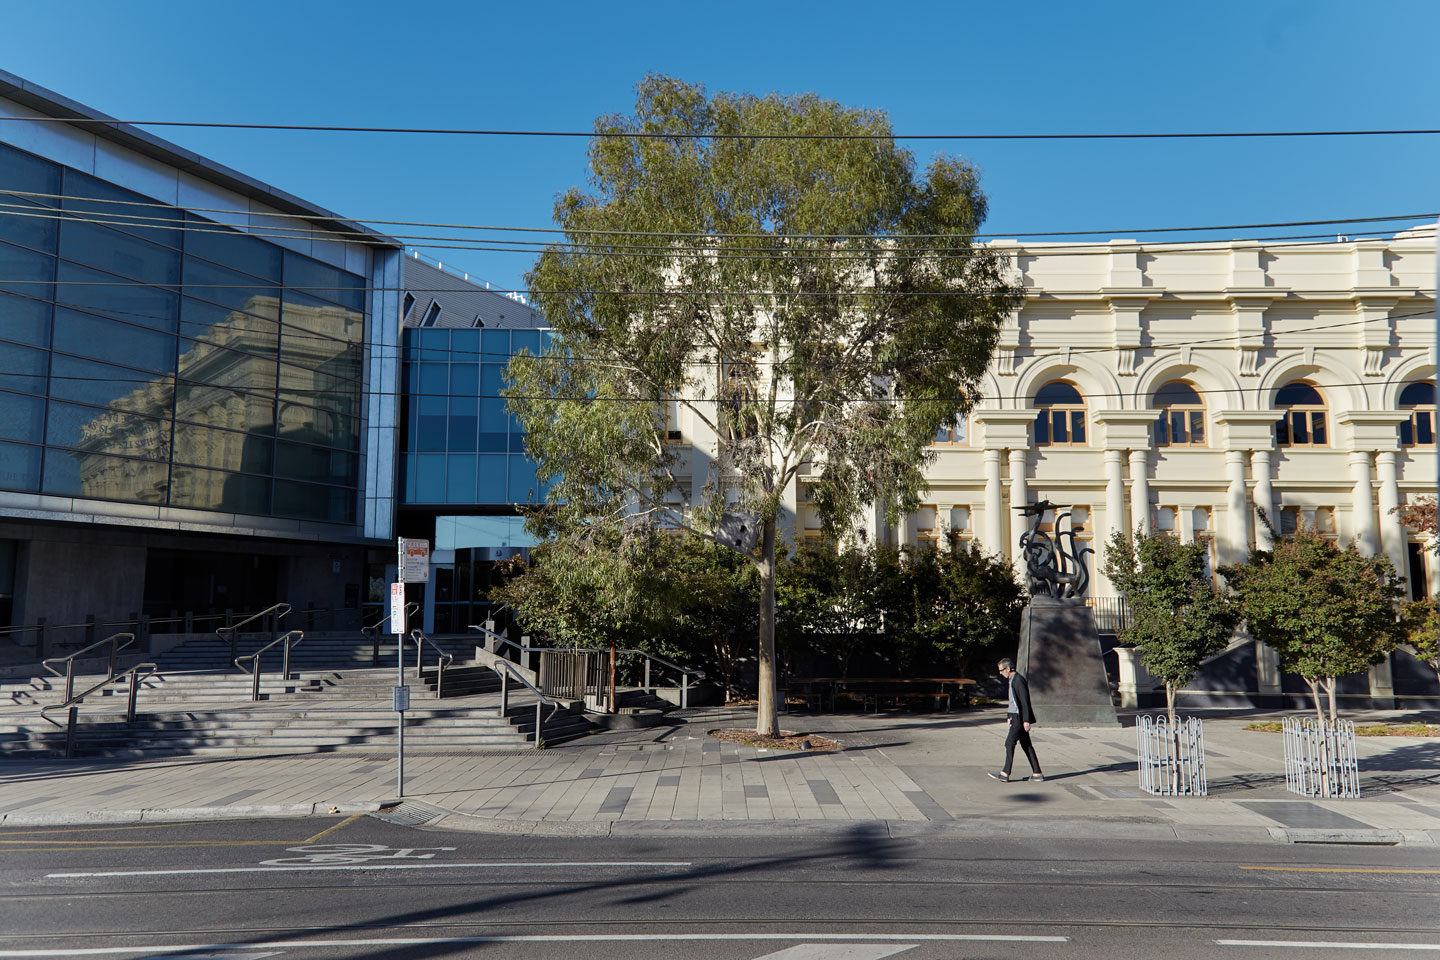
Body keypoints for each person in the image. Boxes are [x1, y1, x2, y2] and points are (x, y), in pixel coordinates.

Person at [988, 657, 1044, 783]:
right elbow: (1013, 701)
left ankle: (1005, 773)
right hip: (1015, 716)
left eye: (1001, 670)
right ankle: (1037, 773)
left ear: (1008, 668)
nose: (1000, 673)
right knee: (1026, 745)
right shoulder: (1013, 679)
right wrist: (1009, 715)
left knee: (1009, 743)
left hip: (1019, 718)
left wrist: (1026, 720)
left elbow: (1024, 702)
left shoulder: (1018, 680)